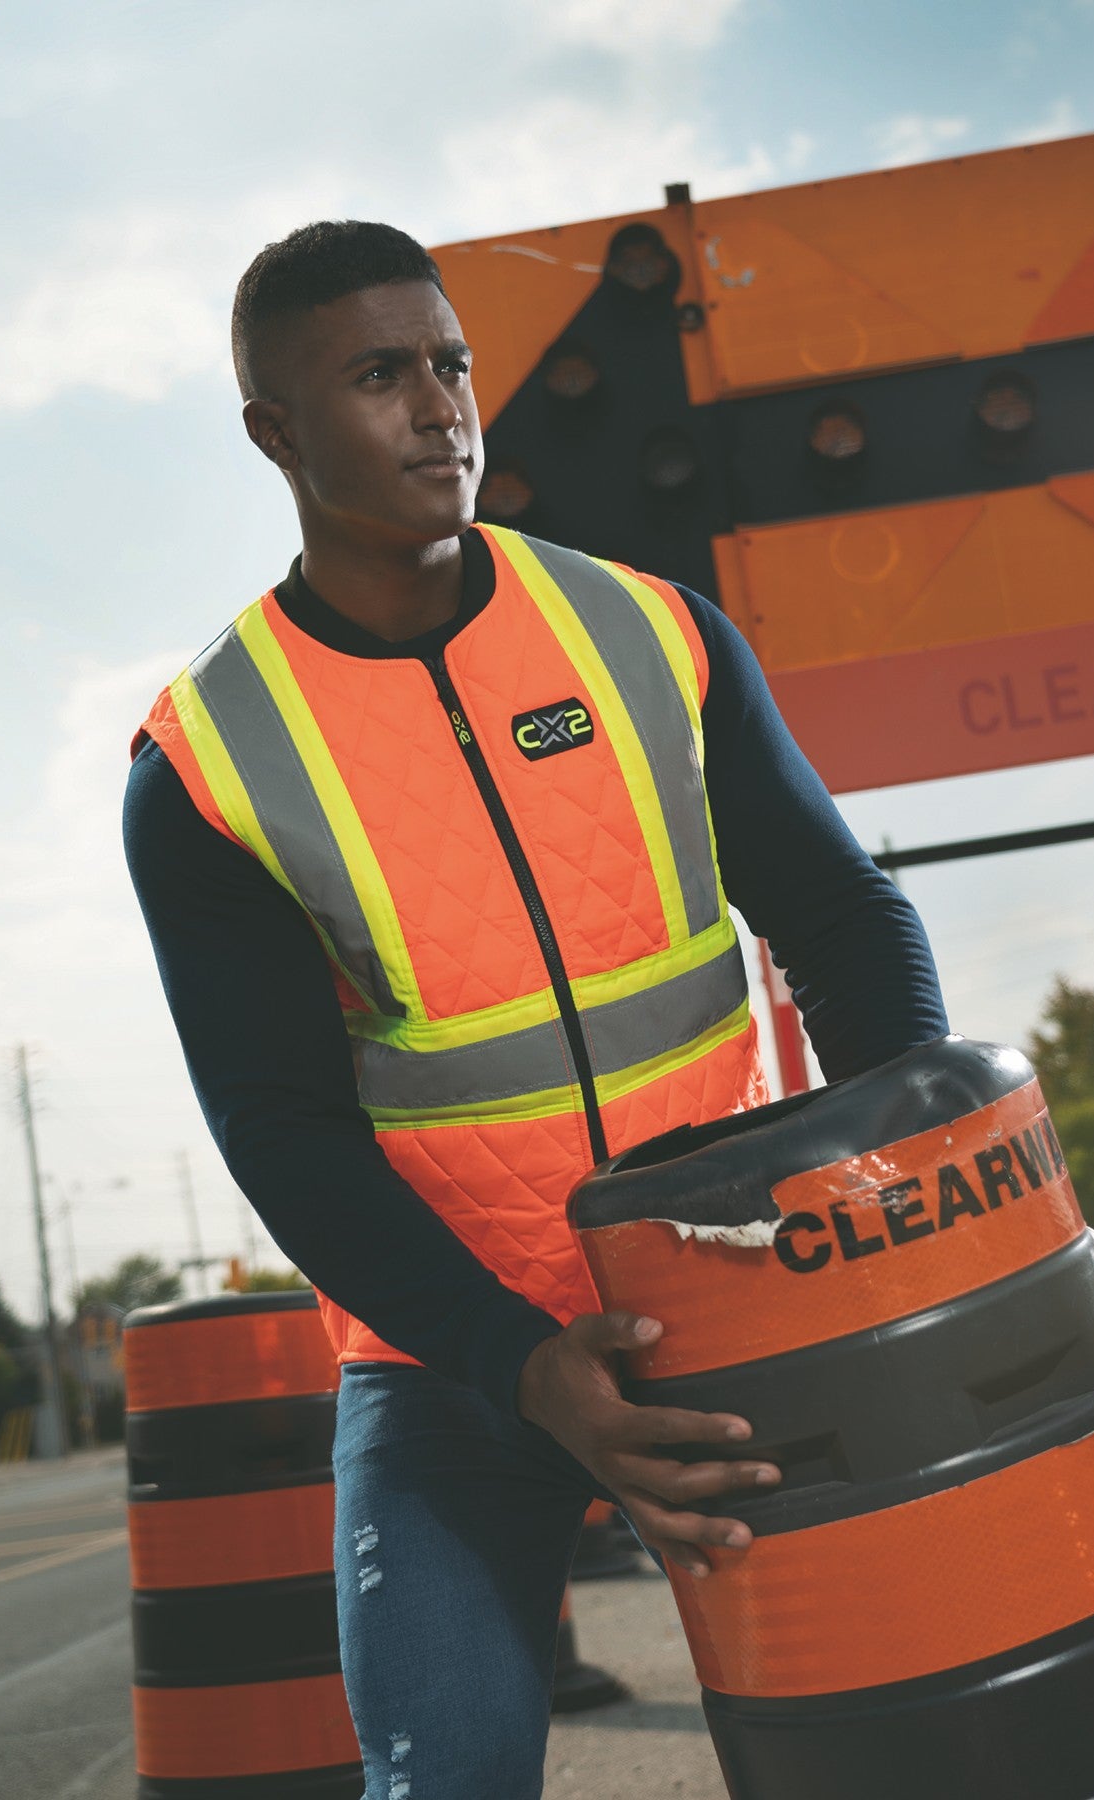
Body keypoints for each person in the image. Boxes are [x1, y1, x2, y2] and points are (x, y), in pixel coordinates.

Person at [124, 219, 950, 1797]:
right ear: (275, 435)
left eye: (451, 363)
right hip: (448, 1368)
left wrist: (905, 1184)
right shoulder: (210, 768)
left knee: (897, 1750)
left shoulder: (646, 634)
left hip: (746, 1302)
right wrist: (519, 1363)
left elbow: (846, 918)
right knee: (448, 1775)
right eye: (382, 377)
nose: (442, 408)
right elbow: (278, 1130)